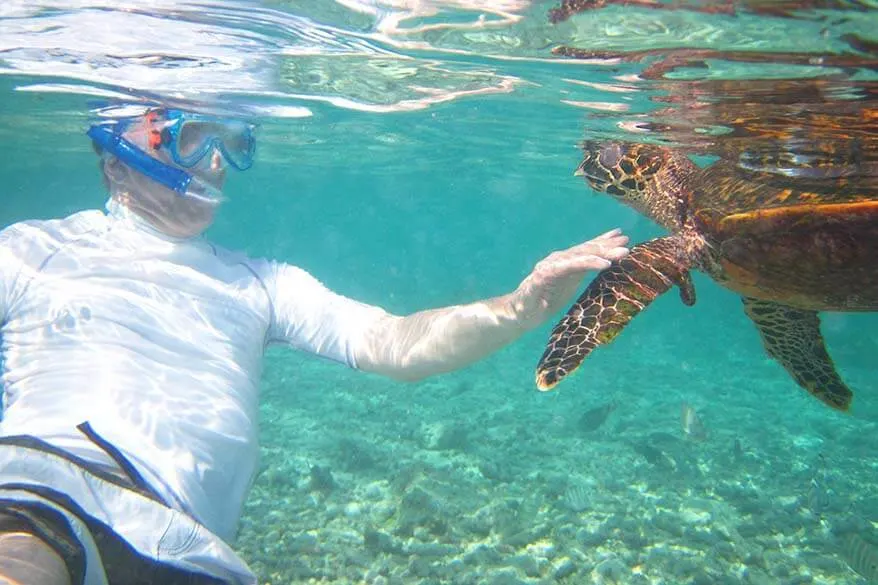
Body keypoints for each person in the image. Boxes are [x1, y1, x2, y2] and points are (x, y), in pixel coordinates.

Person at [0, 106, 629, 585]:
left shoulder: (261, 283)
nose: (216, 161)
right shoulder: (29, 252)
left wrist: (522, 307)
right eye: (190, 138)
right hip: (42, 493)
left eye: (233, 141)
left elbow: (394, 344)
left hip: (186, 550)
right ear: (115, 160)